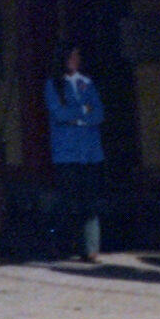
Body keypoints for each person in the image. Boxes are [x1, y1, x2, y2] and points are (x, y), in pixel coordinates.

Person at [43, 44, 106, 262]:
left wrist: (77, 117)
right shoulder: (53, 85)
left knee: (90, 200)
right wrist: (82, 112)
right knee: (68, 201)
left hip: (89, 151)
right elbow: (59, 114)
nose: (75, 60)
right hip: (66, 152)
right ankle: (60, 244)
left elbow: (98, 113)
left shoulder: (87, 83)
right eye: (71, 56)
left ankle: (90, 248)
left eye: (77, 56)